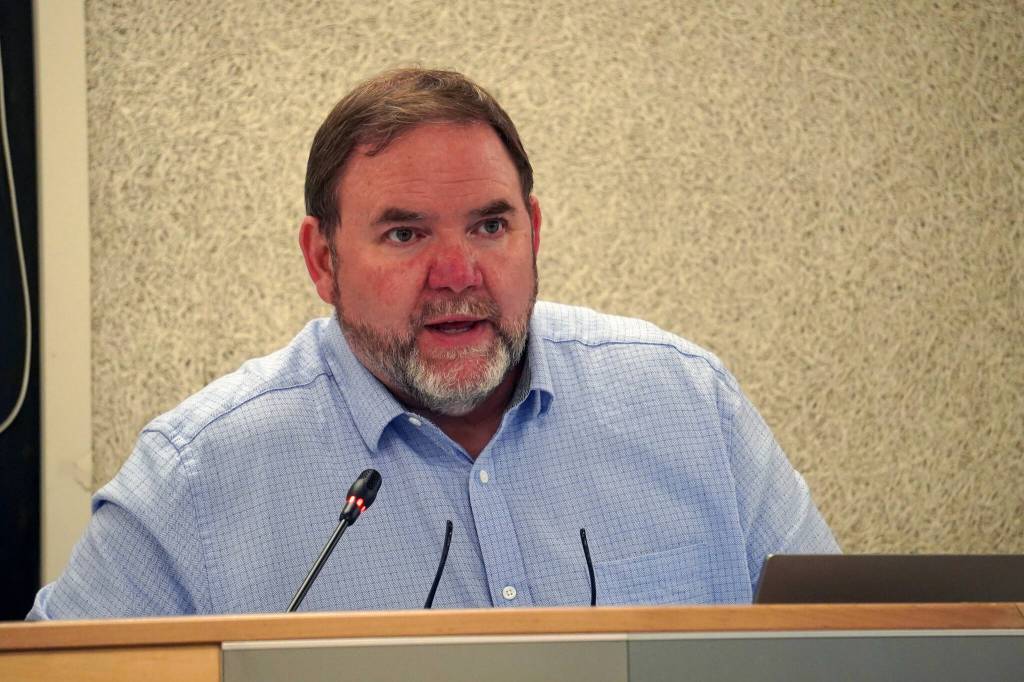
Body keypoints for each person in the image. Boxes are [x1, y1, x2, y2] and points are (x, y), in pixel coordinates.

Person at [28, 68, 838, 620]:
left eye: (491, 224)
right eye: (406, 232)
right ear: (323, 260)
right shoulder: (199, 479)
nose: (458, 273)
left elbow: (853, 650)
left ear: (535, 232)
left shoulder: (687, 407)